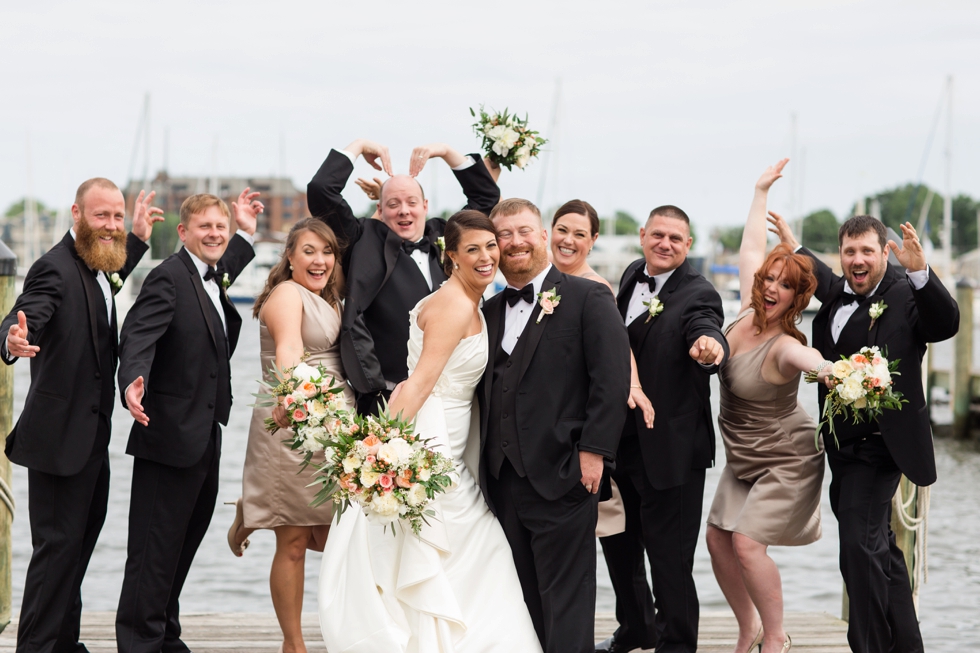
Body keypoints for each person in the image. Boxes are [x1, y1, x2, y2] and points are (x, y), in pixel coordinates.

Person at [317, 211, 543, 652]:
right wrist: (376, 449)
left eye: (490, 246)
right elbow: (417, 383)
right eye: (472, 249)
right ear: (451, 255)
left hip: (455, 433)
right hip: (434, 437)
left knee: (455, 545)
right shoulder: (455, 307)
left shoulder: (462, 298)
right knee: (475, 542)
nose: (486, 257)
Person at [770, 209, 959, 652]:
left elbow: (945, 323)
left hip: (882, 448)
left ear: (884, 252)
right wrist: (795, 244)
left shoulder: (903, 293)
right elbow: (821, 274)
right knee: (880, 551)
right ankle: (908, 646)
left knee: (858, 549)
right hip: (842, 449)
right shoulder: (838, 293)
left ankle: (868, 645)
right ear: (841, 255)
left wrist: (920, 272)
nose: (858, 259)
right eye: (849, 251)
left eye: (867, 251)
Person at [1, 178, 161, 653]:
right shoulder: (52, 267)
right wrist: (11, 340)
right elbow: (26, 314)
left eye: (116, 216)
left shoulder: (94, 264)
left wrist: (137, 238)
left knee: (76, 553)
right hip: (57, 446)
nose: (110, 226)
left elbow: (108, 276)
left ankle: (65, 644)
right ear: (76, 214)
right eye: (101, 216)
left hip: (91, 442)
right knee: (55, 559)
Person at [481, 198, 631, 653]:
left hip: (567, 473)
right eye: (504, 235)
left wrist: (595, 452)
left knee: (566, 599)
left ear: (543, 235)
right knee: (522, 599)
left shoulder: (589, 297)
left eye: (524, 230)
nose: (515, 242)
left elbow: (611, 377)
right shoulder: (487, 312)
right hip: (503, 480)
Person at [115, 190, 260, 653]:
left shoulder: (207, 277)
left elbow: (220, 268)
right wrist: (132, 379)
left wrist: (244, 233)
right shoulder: (167, 278)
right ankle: (139, 642)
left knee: (181, 544)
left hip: (204, 435)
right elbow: (138, 334)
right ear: (183, 232)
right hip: (168, 436)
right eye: (205, 227)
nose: (215, 234)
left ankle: (163, 633)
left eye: (221, 226)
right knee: (153, 550)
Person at [705, 159, 834, 653]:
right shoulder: (740, 314)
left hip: (787, 457)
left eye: (783, 284)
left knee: (746, 543)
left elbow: (812, 359)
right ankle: (748, 627)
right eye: (768, 279)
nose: (770, 287)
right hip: (743, 456)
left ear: (797, 298)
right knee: (717, 539)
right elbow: (752, 246)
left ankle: (775, 638)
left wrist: (837, 372)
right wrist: (759, 191)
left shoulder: (784, 345)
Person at [598, 205, 729, 653]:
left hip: (671, 450)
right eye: (658, 235)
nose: (666, 244)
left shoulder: (699, 293)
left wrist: (710, 346)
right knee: (620, 547)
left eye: (676, 238)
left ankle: (677, 645)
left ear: (688, 245)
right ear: (642, 236)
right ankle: (637, 628)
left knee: (670, 560)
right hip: (620, 442)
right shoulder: (633, 274)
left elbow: (706, 327)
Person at [222, 218, 352, 653]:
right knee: (295, 541)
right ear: (290, 257)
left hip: (333, 423)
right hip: (294, 420)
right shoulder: (286, 295)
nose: (320, 260)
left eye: (327, 252)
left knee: (332, 536)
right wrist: (293, 397)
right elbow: (290, 351)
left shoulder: (330, 299)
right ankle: (293, 644)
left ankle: (253, 507)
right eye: (309, 251)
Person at [307, 139, 500, 415]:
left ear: (425, 205)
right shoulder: (362, 241)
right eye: (393, 204)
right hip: (388, 400)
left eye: (411, 202)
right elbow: (321, 190)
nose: (403, 211)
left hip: (454, 401)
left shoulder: (447, 237)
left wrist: (445, 152)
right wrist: (359, 146)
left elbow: (486, 198)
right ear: (381, 209)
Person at [548, 199, 655, 538]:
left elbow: (618, 347)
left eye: (579, 234)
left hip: (571, 413)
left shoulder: (596, 289)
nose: (568, 240)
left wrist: (633, 386)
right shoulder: (536, 277)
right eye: (562, 230)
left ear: (592, 241)